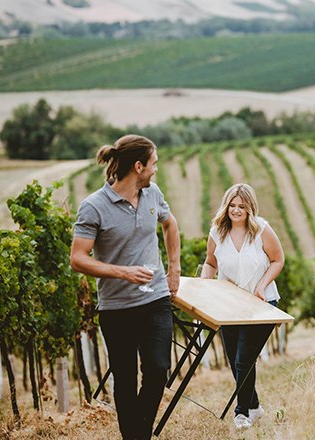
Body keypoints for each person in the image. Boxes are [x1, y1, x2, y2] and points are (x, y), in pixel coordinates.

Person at [70, 134, 181, 440]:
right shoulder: (94, 206)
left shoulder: (153, 193)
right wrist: (122, 272)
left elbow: (170, 224)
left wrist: (174, 268)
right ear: (138, 166)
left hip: (156, 297)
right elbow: (77, 259)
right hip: (116, 307)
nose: (156, 169)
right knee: (126, 379)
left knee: (159, 369)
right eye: (153, 164)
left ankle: (138, 434)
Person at [200, 183, 284, 429]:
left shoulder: (262, 230)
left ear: (250, 209)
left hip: (261, 303)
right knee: (235, 361)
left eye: (241, 207)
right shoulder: (217, 232)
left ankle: (241, 413)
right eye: (232, 206)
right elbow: (210, 263)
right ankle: (255, 406)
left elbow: (278, 259)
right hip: (229, 306)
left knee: (243, 361)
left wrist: (262, 284)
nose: (236, 210)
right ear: (226, 207)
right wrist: (205, 287)